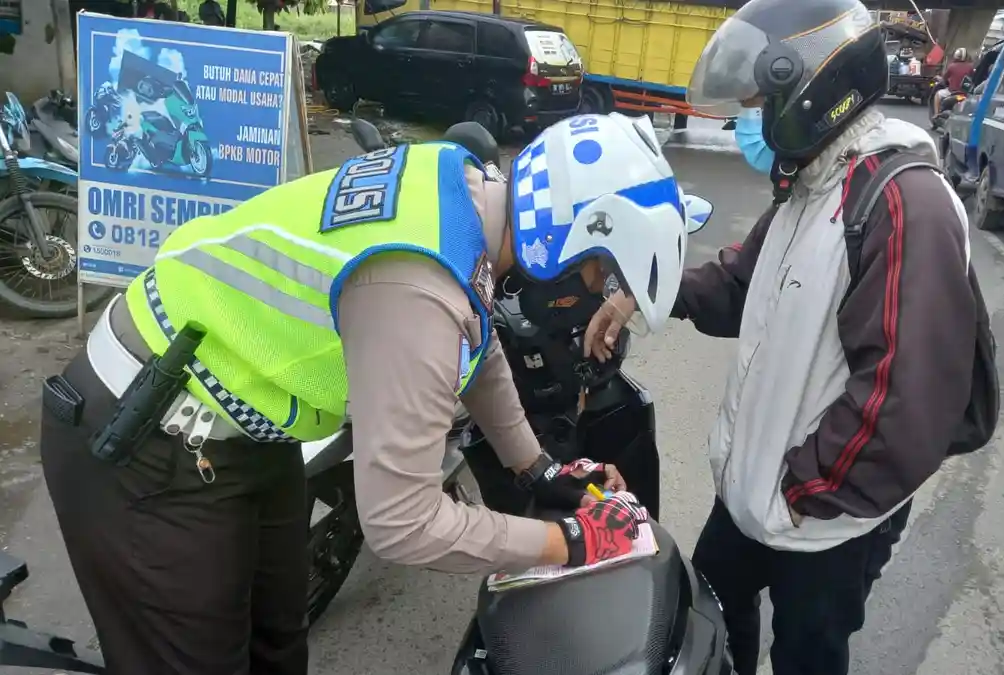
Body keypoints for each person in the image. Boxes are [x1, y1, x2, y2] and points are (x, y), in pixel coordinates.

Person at [39, 112, 689, 675]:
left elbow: (477, 336)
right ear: (569, 237)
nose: (591, 290)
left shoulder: (462, 187)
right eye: (598, 271)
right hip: (144, 434)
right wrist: (568, 545)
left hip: (235, 424)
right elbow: (401, 524)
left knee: (277, 645)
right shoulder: (417, 286)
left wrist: (536, 468)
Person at [585, 0, 980, 673]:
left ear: (814, 90)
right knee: (706, 602)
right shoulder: (809, 188)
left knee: (806, 655)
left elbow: (907, 400)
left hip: (826, 518)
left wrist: (804, 487)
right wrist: (644, 292)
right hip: (755, 492)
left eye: (761, 101)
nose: (753, 119)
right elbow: (741, 284)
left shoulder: (901, 202)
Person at [935, 47, 975, 114]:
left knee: (937, 95)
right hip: (964, 94)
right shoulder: (970, 67)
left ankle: (936, 114)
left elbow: (944, 79)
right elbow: (973, 78)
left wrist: (938, 78)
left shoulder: (952, 66)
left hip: (952, 92)